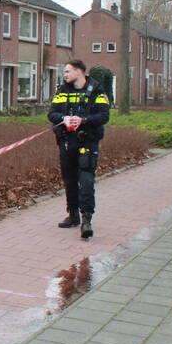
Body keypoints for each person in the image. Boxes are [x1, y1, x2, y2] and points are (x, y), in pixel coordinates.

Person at [47, 59, 110, 239]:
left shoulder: (96, 90)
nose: (65, 75)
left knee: (86, 179)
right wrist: (65, 118)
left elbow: (104, 115)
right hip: (67, 141)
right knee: (69, 180)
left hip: (87, 142)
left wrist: (84, 121)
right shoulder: (62, 90)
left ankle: (86, 219)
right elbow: (51, 113)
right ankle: (73, 214)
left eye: (67, 71)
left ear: (79, 71)